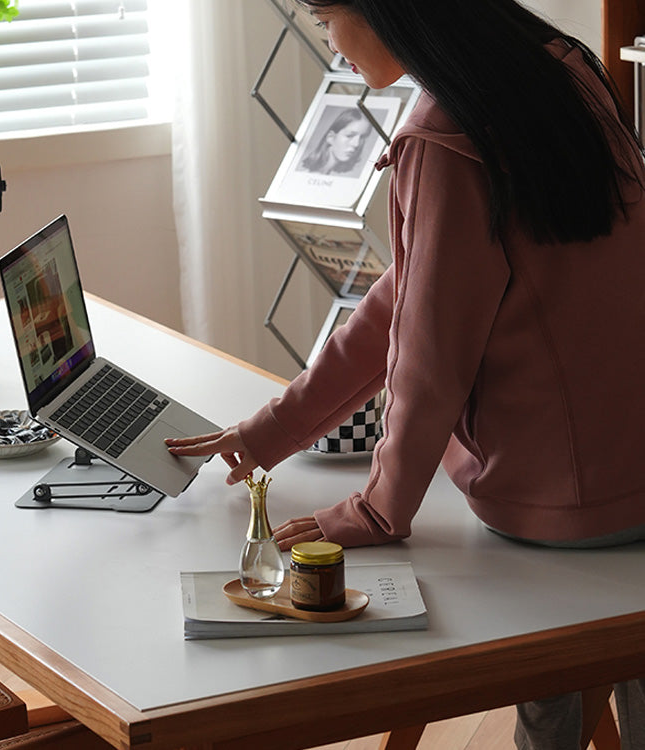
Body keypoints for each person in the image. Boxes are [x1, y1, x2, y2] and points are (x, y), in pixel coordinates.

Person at [166, 1, 645, 747]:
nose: (332, 45)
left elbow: (427, 356)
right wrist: (275, 428)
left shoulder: (444, 137)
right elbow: (413, 295)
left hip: (559, 508)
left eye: (327, 21)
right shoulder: (561, 71)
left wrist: (380, 509)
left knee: (542, 686)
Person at [300, 106, 371, 175]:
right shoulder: (306, 173)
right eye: (349, 135)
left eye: (362, 137)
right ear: (331, 137)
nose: (356, 144)